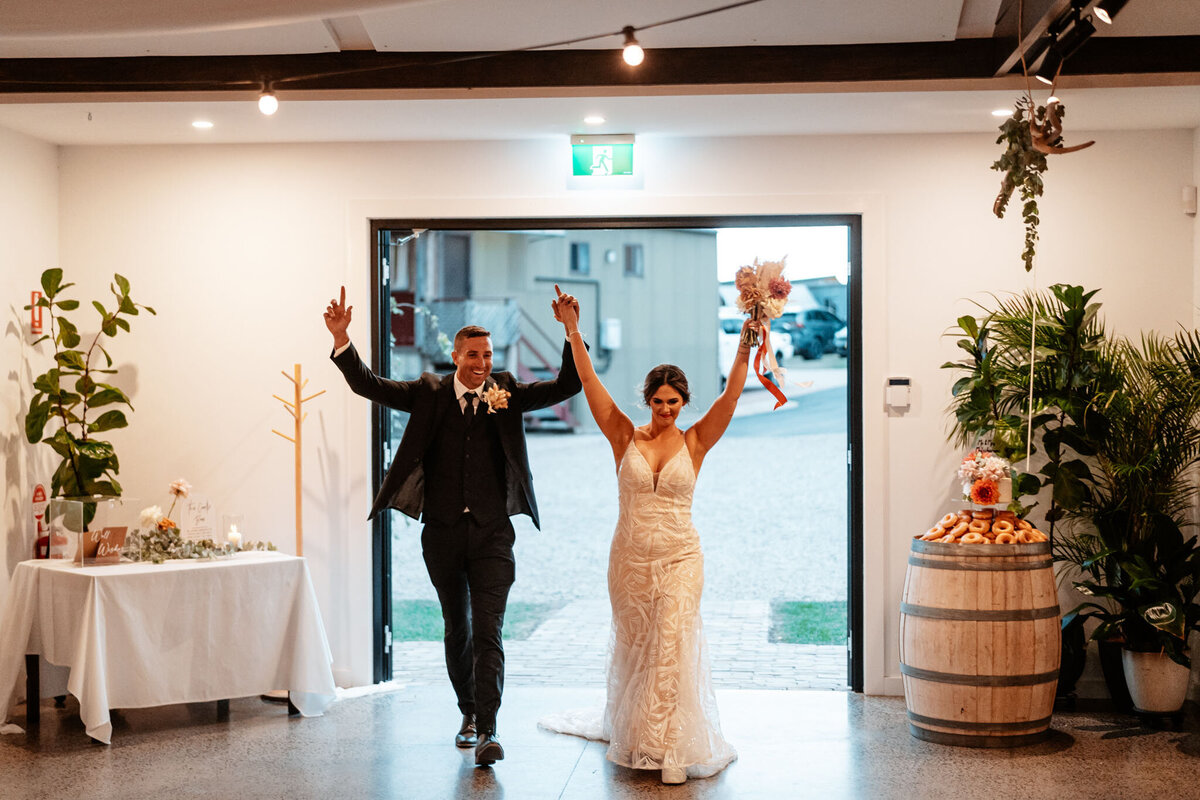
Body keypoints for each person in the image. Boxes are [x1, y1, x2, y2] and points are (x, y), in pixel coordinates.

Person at [324, 286, 582, 767]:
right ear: (455, 355)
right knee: (456, 628)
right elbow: (370, 386)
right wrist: (342, 340)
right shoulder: (429, 392)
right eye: (473, 355)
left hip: (493, 536)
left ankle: (488, 729)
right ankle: (467, 713)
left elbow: (568, 385)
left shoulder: (506, 391)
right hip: (440, 535)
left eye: (487, 354)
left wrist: (570, 330)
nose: (482, 363)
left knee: (489, 630)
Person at [540, 285, 752, 784]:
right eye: (657, 401)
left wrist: (746, 343)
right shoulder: (622, 435)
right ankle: (637, 734)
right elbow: (588, 379)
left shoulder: (696, 440)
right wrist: (573, 332)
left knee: (671, 644)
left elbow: (733, 395)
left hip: (681, 557)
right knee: (638, 649)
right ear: (647, 401)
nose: (665, 410)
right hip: (630, 560)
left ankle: (668, 750)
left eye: (673, 401)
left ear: (684, 401)